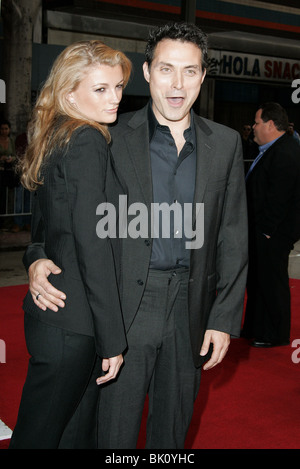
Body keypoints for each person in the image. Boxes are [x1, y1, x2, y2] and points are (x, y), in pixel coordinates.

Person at [22, 22, 248, 449]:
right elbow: (55, 211)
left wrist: (223, 318)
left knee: (173, 429)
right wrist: (35, 256)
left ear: (203, 75)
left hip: (190, 307)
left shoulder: (226, 144)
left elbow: (233, 237)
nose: (177, 84)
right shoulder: (106, 132)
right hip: (124, 305)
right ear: (147, 72)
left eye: (190, 71)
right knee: (113, 432)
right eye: (166, 69)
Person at [9, 40, 131, 449]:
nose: (114, 98)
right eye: (100, 89)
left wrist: (34, 258)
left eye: (117, 86)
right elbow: (92, 245)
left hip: (56, 317)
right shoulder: (86, 140)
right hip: (75, 322)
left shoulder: (58, 133)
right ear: (68, 94)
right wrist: (114, 340)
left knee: (72, 437)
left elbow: (42, 229)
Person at [242, 102, 300, 347]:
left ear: (270, 124)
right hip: (263, 230)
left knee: (271, 282)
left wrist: (266, 230)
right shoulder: (272, 150)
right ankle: (255, 327)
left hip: (272, 233)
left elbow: (280, 196)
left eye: (256, 122)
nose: (253, 128)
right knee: (257, 279)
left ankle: (275, 333)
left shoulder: (285, 152)